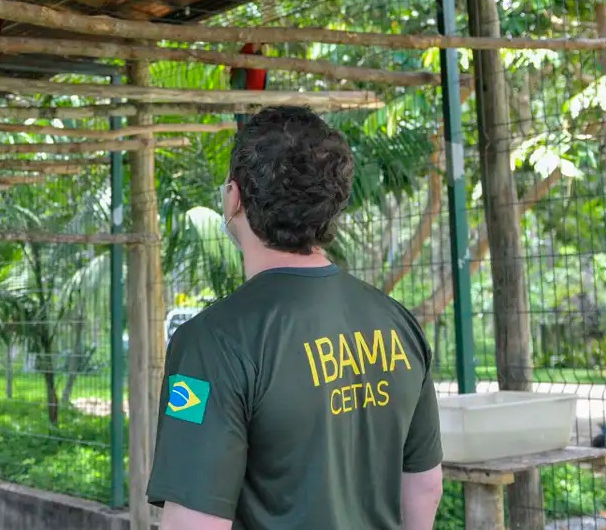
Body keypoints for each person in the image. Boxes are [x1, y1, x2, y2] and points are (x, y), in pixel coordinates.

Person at [146, 105, 443, 530]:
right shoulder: (397, 323)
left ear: (234, 197)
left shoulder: (211, 343)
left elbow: (193, 523)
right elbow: (424, 487)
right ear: (331, 203)